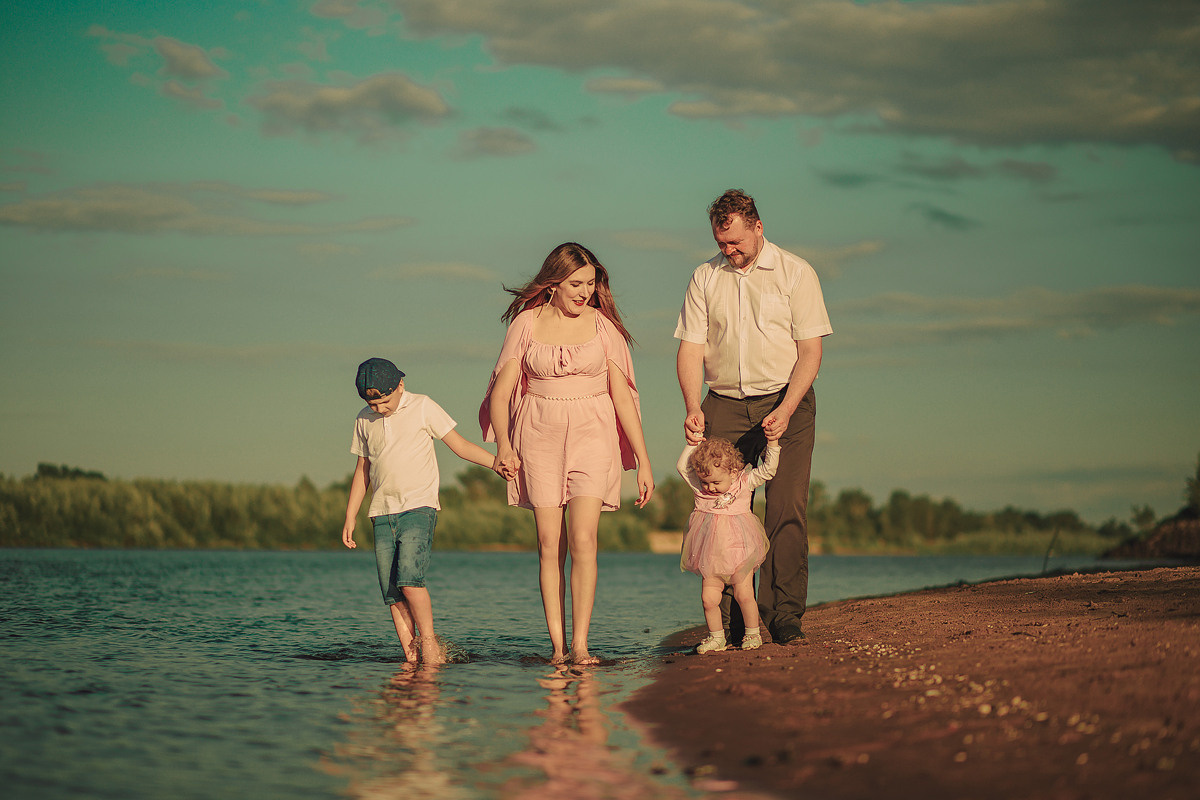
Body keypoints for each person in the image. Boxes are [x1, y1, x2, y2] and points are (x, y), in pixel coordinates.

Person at [481, 242, 654, 665]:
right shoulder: (525, 323)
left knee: (583, 539)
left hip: (594, 433)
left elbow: (623, 397)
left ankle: (580, 645)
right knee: (548, 542)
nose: (584, 292)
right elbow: (502, 393)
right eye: (576, 284)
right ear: (554, 283)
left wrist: (644, 460)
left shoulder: (604, 327)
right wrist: (504, 444)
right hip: (537, 433)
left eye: (591, 284)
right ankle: (557, 648)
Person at [675, 189, 832, 646]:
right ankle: (724, 626)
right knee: (713, 510)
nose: (729, 251)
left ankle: (783, 616)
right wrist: (691, 404)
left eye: (736, 242)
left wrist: (785, 409)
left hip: (787, 398)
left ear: (758, 227)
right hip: (721, 401)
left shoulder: (796, 273)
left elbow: (810, 351)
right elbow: (689, 348)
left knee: (785, 508)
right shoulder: (705, 277)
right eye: (722, 243)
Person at [342, 357, 510, 665]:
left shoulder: (422, 406)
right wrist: (351, 514)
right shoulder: (363, 419)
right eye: (373, 403)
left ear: (400, 385)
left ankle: (430, 644)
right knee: (392, 593)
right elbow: (362, 470)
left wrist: (494, 462)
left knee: (409, 580)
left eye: (385, 401)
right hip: (381, 513)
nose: (379, 409)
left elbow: (458, 445)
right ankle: (410, 654)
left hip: (418, 507)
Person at [676, 434, 780, 653]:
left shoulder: (743, 482)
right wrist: (692, 444)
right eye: (705, 482)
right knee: (708, 599)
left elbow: (768, 470)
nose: (710, 488)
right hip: (711, 556)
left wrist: (772, 444)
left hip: (739, 553)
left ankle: (752, 634)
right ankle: (717, 637)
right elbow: (683, 468)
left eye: (715, 482)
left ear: (732, 472)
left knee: (744, 595)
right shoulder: (700, 490)